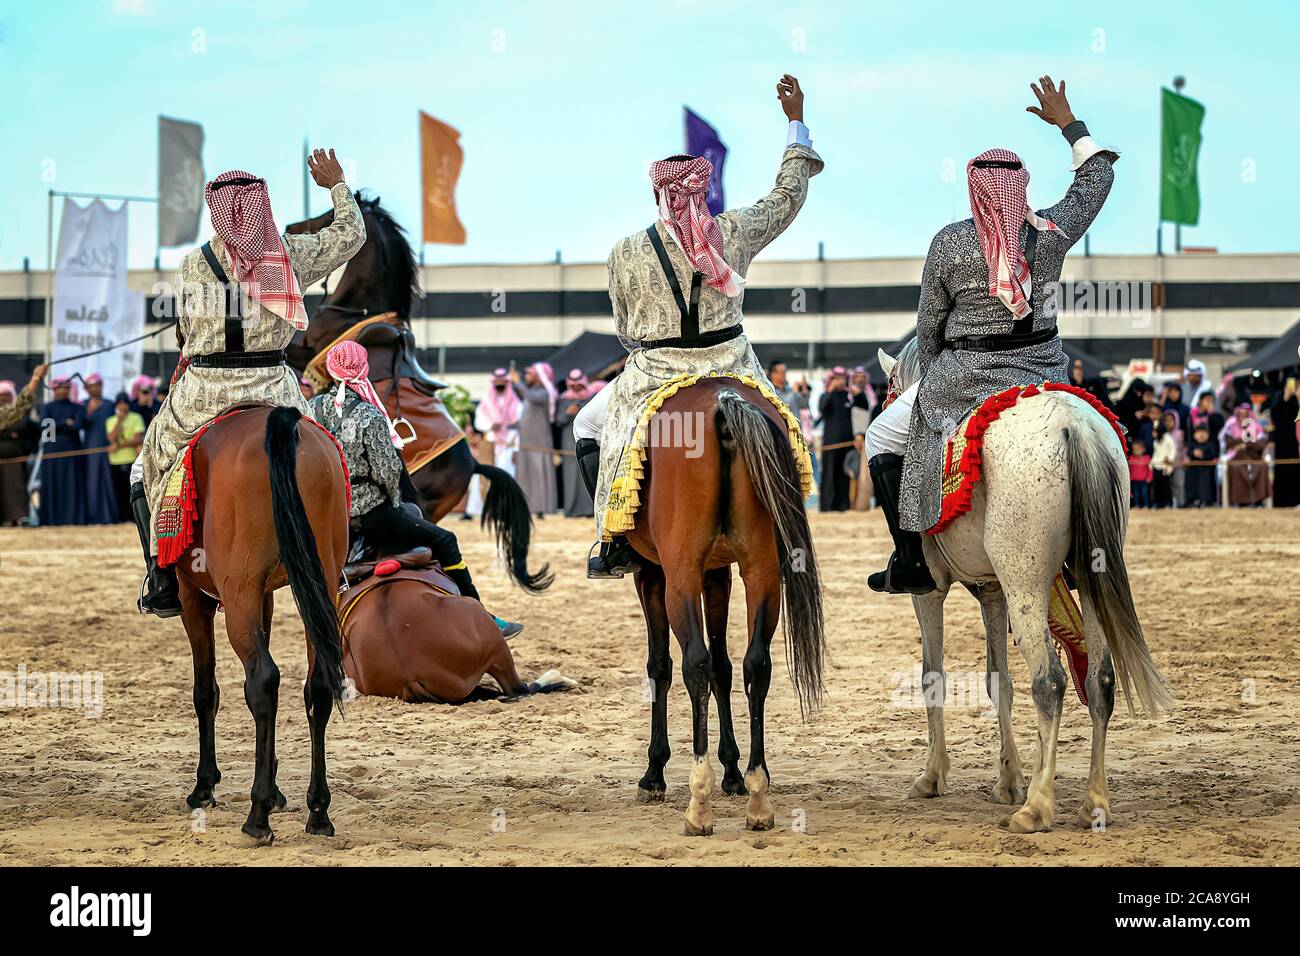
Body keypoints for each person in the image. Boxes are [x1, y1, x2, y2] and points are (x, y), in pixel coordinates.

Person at [864, 76, 1117, 593]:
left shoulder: (951, 242)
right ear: (1021, 185)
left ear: (973, 189)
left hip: (967, 377)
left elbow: (928, 328)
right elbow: (1096, 182)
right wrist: (1071, 125)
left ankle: (911, 557)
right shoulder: (1051, 231)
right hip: (1044, 375)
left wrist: (930, 379)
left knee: (879, 436)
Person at [573, 74, 823, 578]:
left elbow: (626, 329)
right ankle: (788, 527)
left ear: (656, 195)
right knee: (785, 430)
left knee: (587, 425)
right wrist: (795, 122)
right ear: (704, 188)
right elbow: (787, 197)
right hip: (734, 364)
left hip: (655, 373)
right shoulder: (732, 231)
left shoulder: (624, 251)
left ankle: (612, 538)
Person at [132, 149, 366, 617]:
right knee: (331, 452)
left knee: (146, 467)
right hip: (274, 386)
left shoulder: (193, 266)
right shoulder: (290, 255)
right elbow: (352, 235)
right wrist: (338, 184)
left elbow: (188, 331)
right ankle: (341, 556)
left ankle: (160, 573)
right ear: (262, 204)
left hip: (206, 390)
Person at [313, 342, 521, 637]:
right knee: (445, 540)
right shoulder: (370, 415)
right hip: (372, 515)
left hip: (332, 515)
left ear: (332, 371)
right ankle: (483, 619)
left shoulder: (312, 408)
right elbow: (387, 472)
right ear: (364, 369)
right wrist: (395, 501)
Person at [554, 369, 604, 518]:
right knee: (570, 477)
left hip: (588, 441)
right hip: (569, 443)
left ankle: (590, 510)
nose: (576, 387)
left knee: (588, 474)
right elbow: (559, 421)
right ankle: (572, 510)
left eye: (579, 384)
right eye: (573, 384)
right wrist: (568, 413)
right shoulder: (563, 399)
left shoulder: (593, 397)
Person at [37, 375, 87, 526]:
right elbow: (46, 430)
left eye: (66, 387)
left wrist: (57, 424)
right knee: (52, 484)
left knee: (71, 484)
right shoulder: (47, 407)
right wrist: (66, 423)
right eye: (60, 387)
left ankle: (72, 518)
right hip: (52, 452)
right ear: (54, 389)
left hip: (72, 452)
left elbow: (77, 426)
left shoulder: (77, 407)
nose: (63, 391)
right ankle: (51, 519)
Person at [511, 362, 558, 518]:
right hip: (526, 443)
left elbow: (530, 396)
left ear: (538, 377)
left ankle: (541, 508)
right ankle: (528, 506)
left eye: (529, 374)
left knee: (538, 476)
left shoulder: (544, 393)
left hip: (539, 443)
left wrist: (518, 382)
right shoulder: (530, 393)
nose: (526, 377)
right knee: (525, 476)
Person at [0, 366, 45, 525]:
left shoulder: (16, 411)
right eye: (1, 395)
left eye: (6, 395)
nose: (3, 398)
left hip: (16, 457)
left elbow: (21, 423)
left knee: (17, 489)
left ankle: (19, 518)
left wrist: (36, 378)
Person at [81, 373, 118, 524]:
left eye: (97, 385)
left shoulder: (109, 404)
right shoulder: (83, 404)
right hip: (91, 449)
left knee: (108, 481)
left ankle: (109, 516)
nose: (95, 388)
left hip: (108, 448)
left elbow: (114, 424)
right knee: (92, 482)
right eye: (91, 386)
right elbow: (81, 425)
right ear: (87, 389)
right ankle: (93, 516)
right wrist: (89, 411)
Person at [817, 366, 855, 511]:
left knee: (844, 473)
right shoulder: (826, 395)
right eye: (838, 378)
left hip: (847, 442)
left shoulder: (848, 396)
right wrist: (831, 390)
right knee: (829, 473)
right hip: (831, 443)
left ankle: (843, 504)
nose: (841, 381)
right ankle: (827, 505)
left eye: (843, 378)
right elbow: (822, 408)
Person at [105, 392, 145, 523]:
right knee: (118, 491)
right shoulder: (111, 420)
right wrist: (119, 421)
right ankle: (120, 518)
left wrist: (119, 445)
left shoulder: (136, 418)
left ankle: (132, 518)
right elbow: (111, 438)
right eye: (120, 404)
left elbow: (137, 439)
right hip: (115, 461)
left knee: (131, 490)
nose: (123, 406)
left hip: (131, 460)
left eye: (125, 403)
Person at [473, 368, 520, 476]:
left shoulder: (515, 401)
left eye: (502, 382)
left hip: (509, 445)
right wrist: (490, 426)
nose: (499, 384)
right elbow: (478, 422)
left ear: (506, 382)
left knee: (508, 475)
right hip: (490, 443)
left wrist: (516, 449)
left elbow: (519, 425)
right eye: (497, 382)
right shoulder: (486, 400)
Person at [1221, 403, 1270, 506]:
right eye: (1240, 415)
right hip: (1237, 456)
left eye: (1245, 415)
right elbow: (1228, 442)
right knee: (1236, 468)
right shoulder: (1231, 426)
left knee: (1262, 466)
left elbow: (1261, 444)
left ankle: (1258, 500)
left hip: (1254, 456)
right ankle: (1241, 501)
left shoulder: (1256, 427)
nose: (1242, 417)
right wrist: (1247, 442)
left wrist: (1244, 444)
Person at [1271, 376, 1299, 507]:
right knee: (1282, 469)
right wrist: (1285, 398)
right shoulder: (1279, 396)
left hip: (1296, 439)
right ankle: (1281, 502)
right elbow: (1275, 415)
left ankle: (1296, 500)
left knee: (1296, 470)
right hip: (1282, 440)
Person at [1150, 409, 1181, 508]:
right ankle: (1158, 503)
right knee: (1157, 486)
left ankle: (1168, 502)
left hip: (1165, 466)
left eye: (1155, 430)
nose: (1153, 432)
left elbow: (1173, 450)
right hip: (1157, 464)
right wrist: (1152, 463)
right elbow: (1156, 452)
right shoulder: (1156, 441)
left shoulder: (1167, 438)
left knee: (1166, 486)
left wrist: (1169, 459)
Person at [1184, 420, 1219, 507]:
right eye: (1198, 432)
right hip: (1194, 470)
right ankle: (1193, 500)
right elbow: (1188, 453)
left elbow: (1213, 454)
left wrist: (1203, 455)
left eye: (1204, 432)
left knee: (1206, 486)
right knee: (1192, 485)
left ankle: (1207, 501)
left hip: (1207, 470)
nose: (1201, 435)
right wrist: (1193, 453)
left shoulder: (1210, 444)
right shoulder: (1191, 444)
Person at [1128, 439, 1152, 509]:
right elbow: (1129, 469)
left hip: (1144, 480)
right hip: (1135, 480)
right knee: (1136, 494)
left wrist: (1149, 478)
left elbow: (1150, 469)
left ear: (1143, 449)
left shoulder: (1147, 458)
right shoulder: (1131, 458)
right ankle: (1137, 505)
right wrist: (1130, 477)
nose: (1136, 451)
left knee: (1145, 494)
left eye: (1138, 449)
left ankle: (1146, 505)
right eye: (1134, 449)